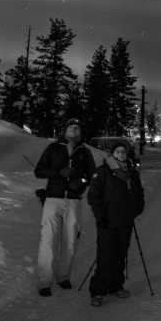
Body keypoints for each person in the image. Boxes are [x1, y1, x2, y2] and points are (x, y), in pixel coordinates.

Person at [34, 118, 96, 297]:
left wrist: (80, 182)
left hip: (73, 201)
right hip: (53, 198)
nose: (74, 130)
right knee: (48, 240)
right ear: (65, 130)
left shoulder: (84, 152)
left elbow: (91, 175)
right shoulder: (53, 148)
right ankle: (44, 281)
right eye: (71, 127)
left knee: (70, 241)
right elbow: (39, 171)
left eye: (77, 128)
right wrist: (58, 173)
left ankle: (63, 276)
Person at [87, 143, 145, 307]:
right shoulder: (103, 171)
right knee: (105, 256)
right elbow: (93, 196)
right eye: (117, 151)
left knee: (120, 255)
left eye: (123, 151)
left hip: (125, 221)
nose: (121, 154)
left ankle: (115, 286)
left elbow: (139, 193)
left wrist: (137, 209)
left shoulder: (132, 173)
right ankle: (98, 291)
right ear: (112, 154)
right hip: (107, 221)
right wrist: (100, 216)